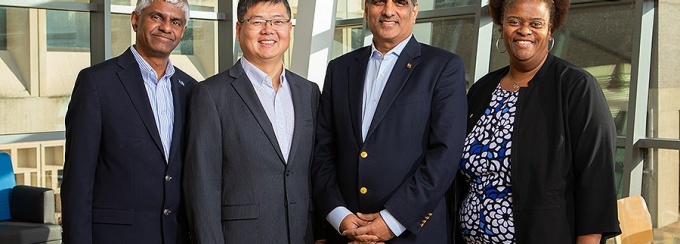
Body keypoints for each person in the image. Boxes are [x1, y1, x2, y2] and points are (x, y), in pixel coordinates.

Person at [453, 0, 621, 243]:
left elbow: (597, 182)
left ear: (550, 29)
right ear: (502, 27)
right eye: (514, 22)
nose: (524, 30)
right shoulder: (482, 90)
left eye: (536, 23)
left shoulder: (576, 87)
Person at [312, 0, 467, 243]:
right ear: (366, 9)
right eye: (378, 2)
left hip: (412, 234)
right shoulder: (339, 69)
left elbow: (445, 156)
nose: (388, 10)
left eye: (401, 2)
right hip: (347, 233)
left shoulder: (443, 67)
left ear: (414, 11)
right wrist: (338, 215)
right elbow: (323, 151)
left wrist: (393, 220)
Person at [182, 0, 320, 243]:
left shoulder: (308, 92)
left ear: (289, 28)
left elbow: (315, 172)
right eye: (257, 22)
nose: (268, 30)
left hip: (303, 235)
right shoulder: (210, 94)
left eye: (278, 21)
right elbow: (202, 188)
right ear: (238, 30)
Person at [61, 0, 195, 243]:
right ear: (135, 20)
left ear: (182, 32)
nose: (166, 27)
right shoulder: (96, 83)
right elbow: (77, 183)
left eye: (175, 22)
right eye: (157, 17)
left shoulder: (191, 90)